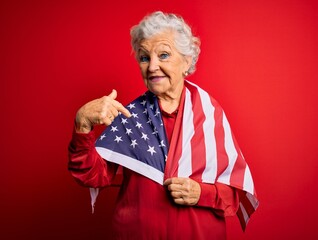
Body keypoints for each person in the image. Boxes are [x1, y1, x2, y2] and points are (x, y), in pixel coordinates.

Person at [68, 11, 258, 239]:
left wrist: (201, 193)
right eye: (144, 57)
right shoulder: (130, 116)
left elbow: (234, 194)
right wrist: (83, 124)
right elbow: (92, 175)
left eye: (164, 55)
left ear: (186, 61)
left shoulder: (210, 114)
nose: (152, 66)